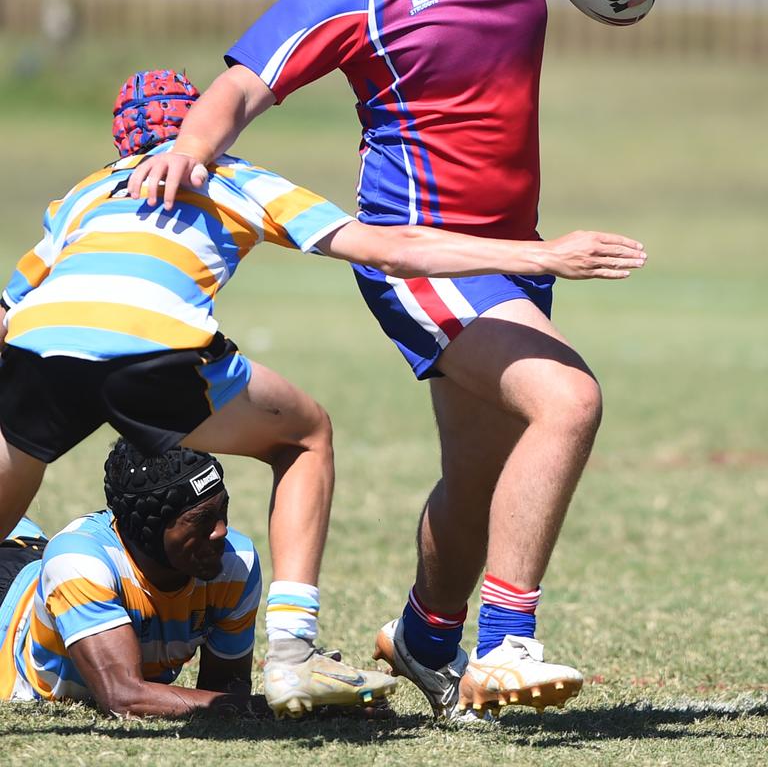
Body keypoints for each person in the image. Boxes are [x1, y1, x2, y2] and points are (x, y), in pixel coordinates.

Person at [126, 0, 685, 721]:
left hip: (503, 252)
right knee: (568, 400)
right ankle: (504, 648)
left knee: (481, 476)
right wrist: (192, 144)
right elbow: (241, 83)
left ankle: (424, 638)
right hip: (418, 261)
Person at [0, 68, 646, 719]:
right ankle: (292, 654)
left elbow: (9, 305)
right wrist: (542, 256)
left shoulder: (84, 195)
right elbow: (391, 249)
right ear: (208, 124)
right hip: (156, 342)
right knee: (303, 437)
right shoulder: (237, 177)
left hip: (36, 346)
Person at [0, 441, 268, 716]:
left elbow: (224, 692)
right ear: (151, 528)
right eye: (202, 519)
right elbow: (124, 698)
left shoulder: (235, 563)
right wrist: (271, 709)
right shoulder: (77, 562)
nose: (221, 531)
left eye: (223, 509)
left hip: (45, 570)